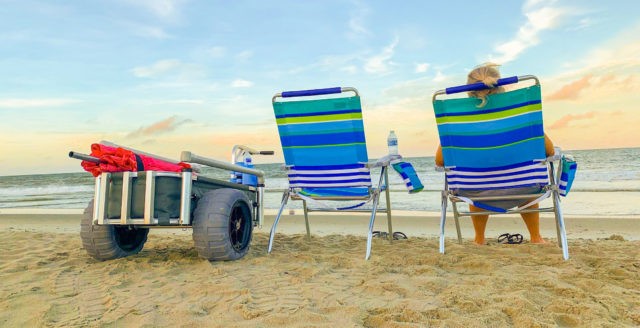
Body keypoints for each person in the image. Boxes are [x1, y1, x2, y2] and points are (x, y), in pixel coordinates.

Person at [435, 63, 554, 245]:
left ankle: (479, 239)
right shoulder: (519, 116)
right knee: (527, 182)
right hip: (524, 188)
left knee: (475, 188)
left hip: (476, 191)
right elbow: (549, 151)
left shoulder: (458, 124)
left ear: (468, 91)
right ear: (500, 87)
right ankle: (536, 238)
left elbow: (440, 160)